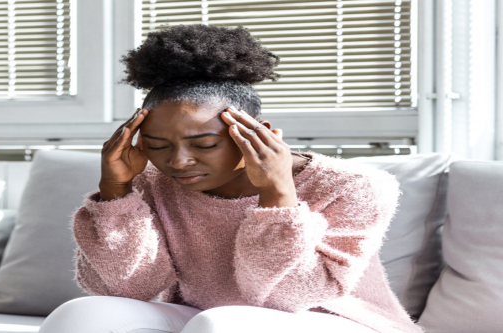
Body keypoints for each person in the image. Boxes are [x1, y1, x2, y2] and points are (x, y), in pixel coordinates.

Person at [38, 25, 424, 333]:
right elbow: (126, 290)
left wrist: (277, 195)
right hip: (206, 319)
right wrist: (116, 192)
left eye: (203, 143)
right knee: (83, 314)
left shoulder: (353, 186)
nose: (178, 161)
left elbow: (293, 296)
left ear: (257, 132)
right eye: (157, 145)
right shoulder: (152, 182)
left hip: (336, 321)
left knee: (221, 324)